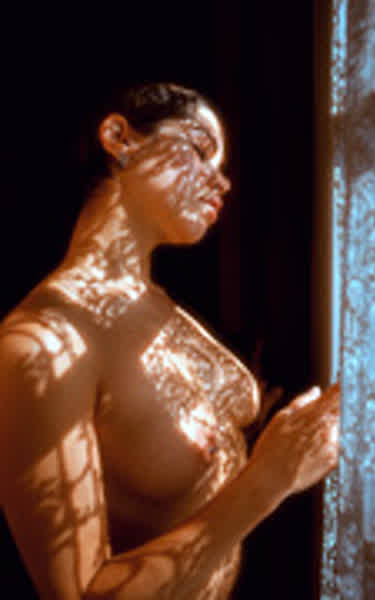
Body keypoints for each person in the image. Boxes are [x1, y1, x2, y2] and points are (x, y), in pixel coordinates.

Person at [0, 83, 340, 599]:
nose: (222, 182)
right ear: (120, 138)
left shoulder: (159, 310)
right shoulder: (42, 343)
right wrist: (269, 480)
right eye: (200, 150)